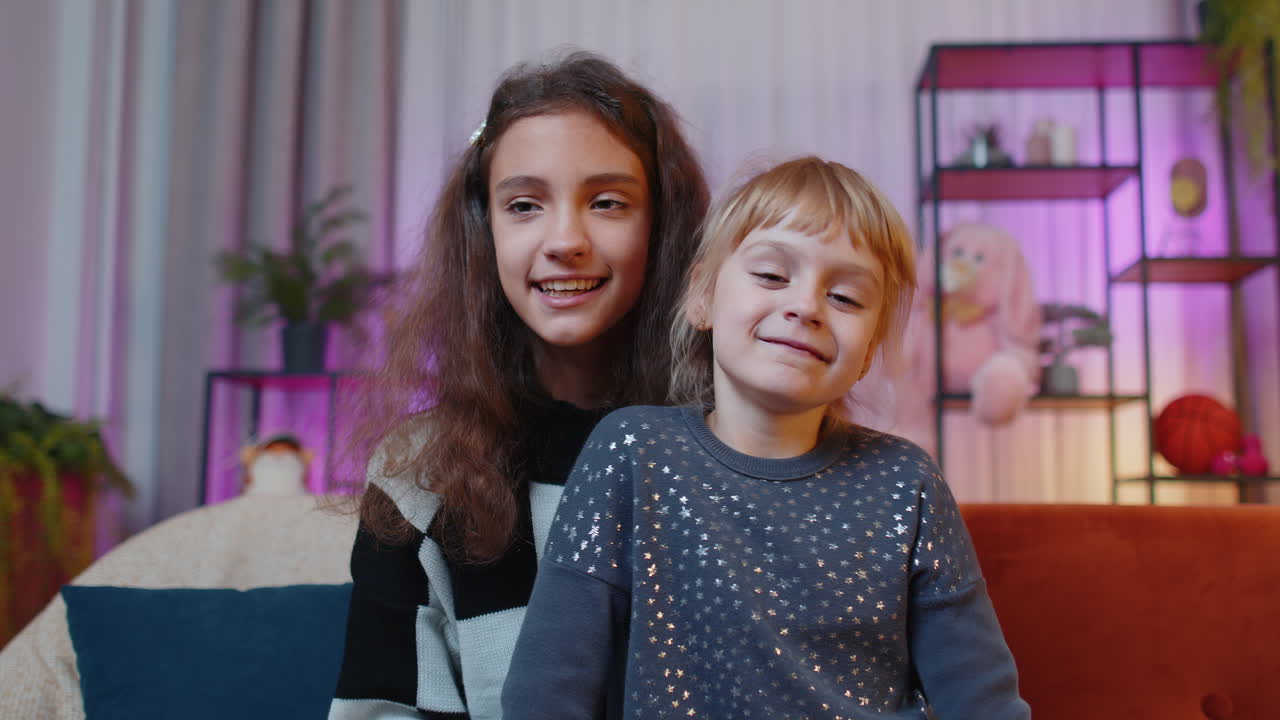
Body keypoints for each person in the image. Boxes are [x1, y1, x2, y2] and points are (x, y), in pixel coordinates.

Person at [501, 156, 1031, 719]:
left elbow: (983, 703)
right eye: (773, 276)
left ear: (869, 352)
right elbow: (547, 692)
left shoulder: (908, 481)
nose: (805, 307)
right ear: (703, 294)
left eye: (846, 298)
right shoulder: (632, 451)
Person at [329, 51, 709, 720]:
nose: (565, 239)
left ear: (663, 228)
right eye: (525, 204)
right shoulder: (416, 473)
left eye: (608, 202)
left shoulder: (740, 453)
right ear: (485, 231)